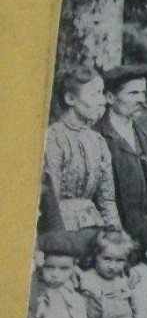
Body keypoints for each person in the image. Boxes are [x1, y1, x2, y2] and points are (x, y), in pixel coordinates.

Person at [43, 71, 119, 236]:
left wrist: (115, 235)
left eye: (102, 93)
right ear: (70, 99)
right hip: (62, 228)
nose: (102, 101)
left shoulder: (98, 141)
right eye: (95, 94)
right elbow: (50, 195)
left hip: (94, 227)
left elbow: (107, 198)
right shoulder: (52, 138)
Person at [97, 63, 147, 236]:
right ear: (110, 98)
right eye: (133, 93)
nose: (142, 100)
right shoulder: (97, 138)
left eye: (143, 93)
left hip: (146, 236)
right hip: (112, 239)